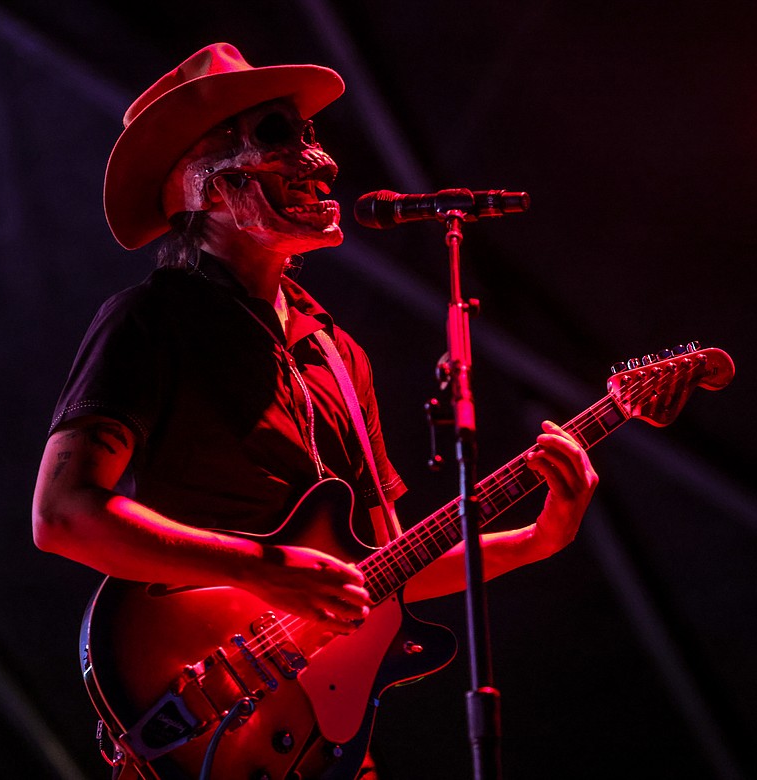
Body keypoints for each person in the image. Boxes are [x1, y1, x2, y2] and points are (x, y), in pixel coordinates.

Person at [31, 42, 599, 780]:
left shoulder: (337, 350)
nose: (317, 159)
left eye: (309, 135)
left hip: (319, 739)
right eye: (275, 135)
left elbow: (377, 573)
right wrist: (265, 570)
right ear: (200, 181)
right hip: (200, 704)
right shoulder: (149, 320)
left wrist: (538, 539)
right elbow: (62, 513)